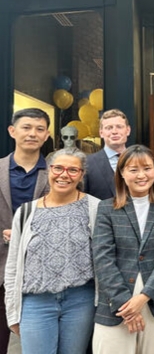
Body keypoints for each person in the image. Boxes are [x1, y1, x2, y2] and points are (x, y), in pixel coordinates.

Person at [4, 148, 100, 353]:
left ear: (81, 175)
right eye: (58, 168)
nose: (64, 175)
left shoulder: (95, 208)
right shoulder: (26, 212)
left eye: (73, 170)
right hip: (36, 302)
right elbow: (13, 265)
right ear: (49, 170)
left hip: (80, 301)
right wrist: (12, 311)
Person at [92, 145, 154, 354]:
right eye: (133, 169)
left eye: (147, 168)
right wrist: (126, 306)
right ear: (122, 173)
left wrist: (143, 297)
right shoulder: (106, 208)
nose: (142, 175)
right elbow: (103, 259)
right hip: (115, 304)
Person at [0, 108, 51, 354]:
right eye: (26, 127)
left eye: (39, 129)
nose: (33, 133)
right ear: (12, 131)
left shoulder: (59, 173)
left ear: (47, 135)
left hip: (42, 272)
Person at [84, 109, 131, 200]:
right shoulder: (87, 163)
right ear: (101, 133)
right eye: (109, 128)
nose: (114, 131)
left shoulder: (139, 160)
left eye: (119, 127)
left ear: (128, 130)